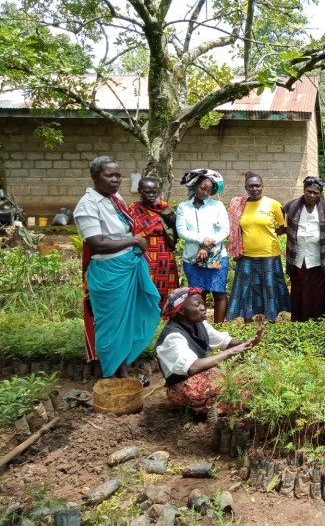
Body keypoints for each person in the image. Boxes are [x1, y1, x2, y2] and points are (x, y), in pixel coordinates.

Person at [73, 156, 161, 378]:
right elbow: (97, 244)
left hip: (128, 266)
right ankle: (114, 375)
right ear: (94, 176)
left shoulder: (115, 198)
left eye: (118, 175)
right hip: (109, 273)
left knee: (130, 319)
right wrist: (135, 241)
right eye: (109, 175)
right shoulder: (87, 205)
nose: (115, 180)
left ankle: (124, 369)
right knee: (111, 326)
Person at [156, 287, 264, 413]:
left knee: (251, 378)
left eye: (203, 303)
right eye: (197, 305)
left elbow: (227, 343)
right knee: (236, 393)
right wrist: (229, 353)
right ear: (181, 311)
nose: (203, 307)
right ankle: (218, 412)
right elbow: (192, 367)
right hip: (185, 385)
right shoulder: (172, 337)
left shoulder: (199, 324)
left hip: (204, 375)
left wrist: (252, 341)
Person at [226, 172, 291, 323]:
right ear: (245, 187)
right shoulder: (239, 205)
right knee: (247, 289)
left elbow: (284, 226)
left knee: (270, 287)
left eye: (258, 186)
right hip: (246, 255)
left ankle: (272, 320)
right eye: (251, 186)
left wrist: (268, 233)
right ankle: (248, 320)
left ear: (263, 186)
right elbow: (234, 228)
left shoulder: (273, 204)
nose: (255, 189)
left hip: (269, 254)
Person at [176, 168, 229, 324]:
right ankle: (202, 327)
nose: (206, 192)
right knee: (199, 294)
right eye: (203, 188)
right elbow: (182, 231)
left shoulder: (217, 206)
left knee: (219, 293)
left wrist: (206, 247)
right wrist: (202, 240)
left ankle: (218, 329)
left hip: (217, 256)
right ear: (194, 185)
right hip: (192, 257)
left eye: (209, 190)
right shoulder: (184, 207)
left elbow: (225, 230)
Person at [283, 176, 325, 321]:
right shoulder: (292, 207)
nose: (312, 195)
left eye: (315, 193)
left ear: (320, 194)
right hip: (298, 257)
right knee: (299, 289)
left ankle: (317, 321)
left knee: (317, 291)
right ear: (304, 190)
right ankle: (299, 321)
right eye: (309, 191)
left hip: (318, 258)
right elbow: (281, 214)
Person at [128, 177, 179, 308]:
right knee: (146, 281)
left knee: (166, 283)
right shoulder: (133, 209)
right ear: (139, 191)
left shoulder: (164, 207)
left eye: (154, 192)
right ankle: (145, 313)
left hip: (164, 251)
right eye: (147, 192)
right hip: (144, 251)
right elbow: (130, 231)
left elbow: (174, 227)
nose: (151, 195)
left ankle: (165, 314)